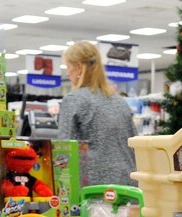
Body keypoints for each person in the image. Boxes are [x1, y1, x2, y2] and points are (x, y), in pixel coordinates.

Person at [58, 41, 138, 187]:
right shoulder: (120, 101)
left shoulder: (74, 100)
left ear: (79, 67)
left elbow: (64, 149)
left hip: (94, 188)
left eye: (68, 67)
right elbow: (134, 144)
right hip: (128, 184)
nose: (68, 72)